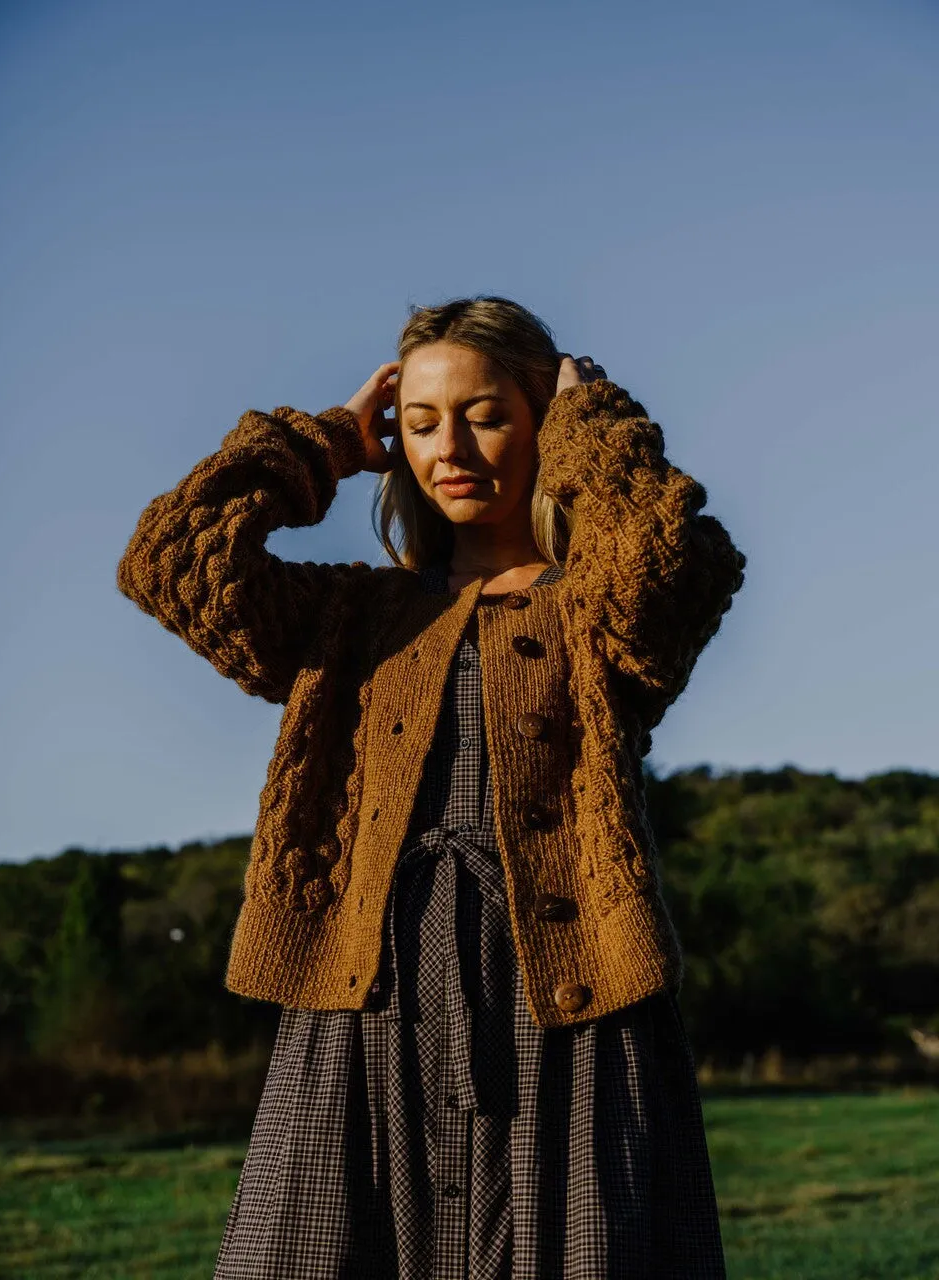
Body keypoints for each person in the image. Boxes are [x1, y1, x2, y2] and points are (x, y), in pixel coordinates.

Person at [116, 295, 747, 1278]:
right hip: (363, 999)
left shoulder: (598, 608)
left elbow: (657, 574)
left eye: (486, 413)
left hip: (569, 1002)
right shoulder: (349, 614)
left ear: (544, 419)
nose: (449, 445)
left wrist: (595, 420)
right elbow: (173, 560)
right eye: (419, 422)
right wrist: (321, 443)